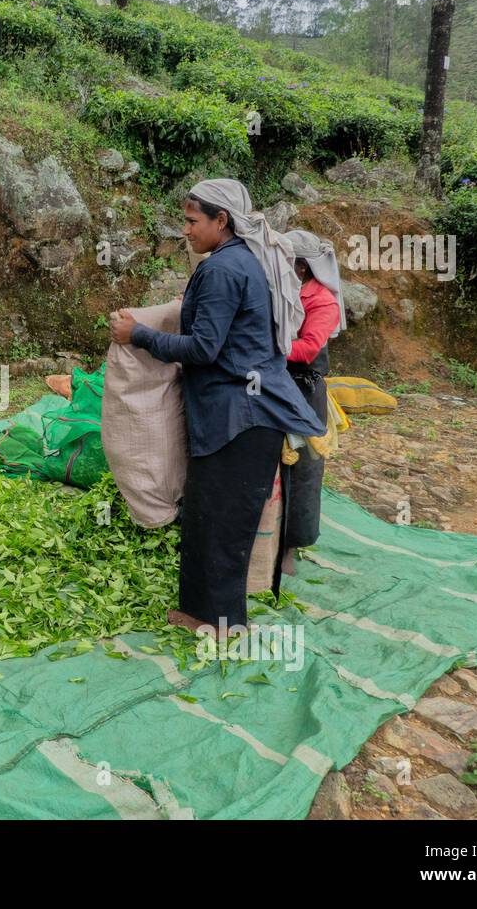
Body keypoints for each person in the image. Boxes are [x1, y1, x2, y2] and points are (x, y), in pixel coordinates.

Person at [109, 179, 323, 635]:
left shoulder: (225, 269)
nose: (185, 230)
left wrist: (139, 336)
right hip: (230, 413)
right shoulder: (231, 263)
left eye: (192, 221)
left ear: (221, 221)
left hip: (242, 417)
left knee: (224, 521)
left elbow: (204, 348)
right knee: (206, 517)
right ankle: (200, 613)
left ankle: (226, 624)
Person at [280, 229, 345, 576]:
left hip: (303, 391)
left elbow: (307, 349)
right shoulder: (284, 292)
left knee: (302, 469)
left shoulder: (322, 301)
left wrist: (261, 351)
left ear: (302, 268)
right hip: (276, 383)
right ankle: (267, 538)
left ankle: (291, 545)